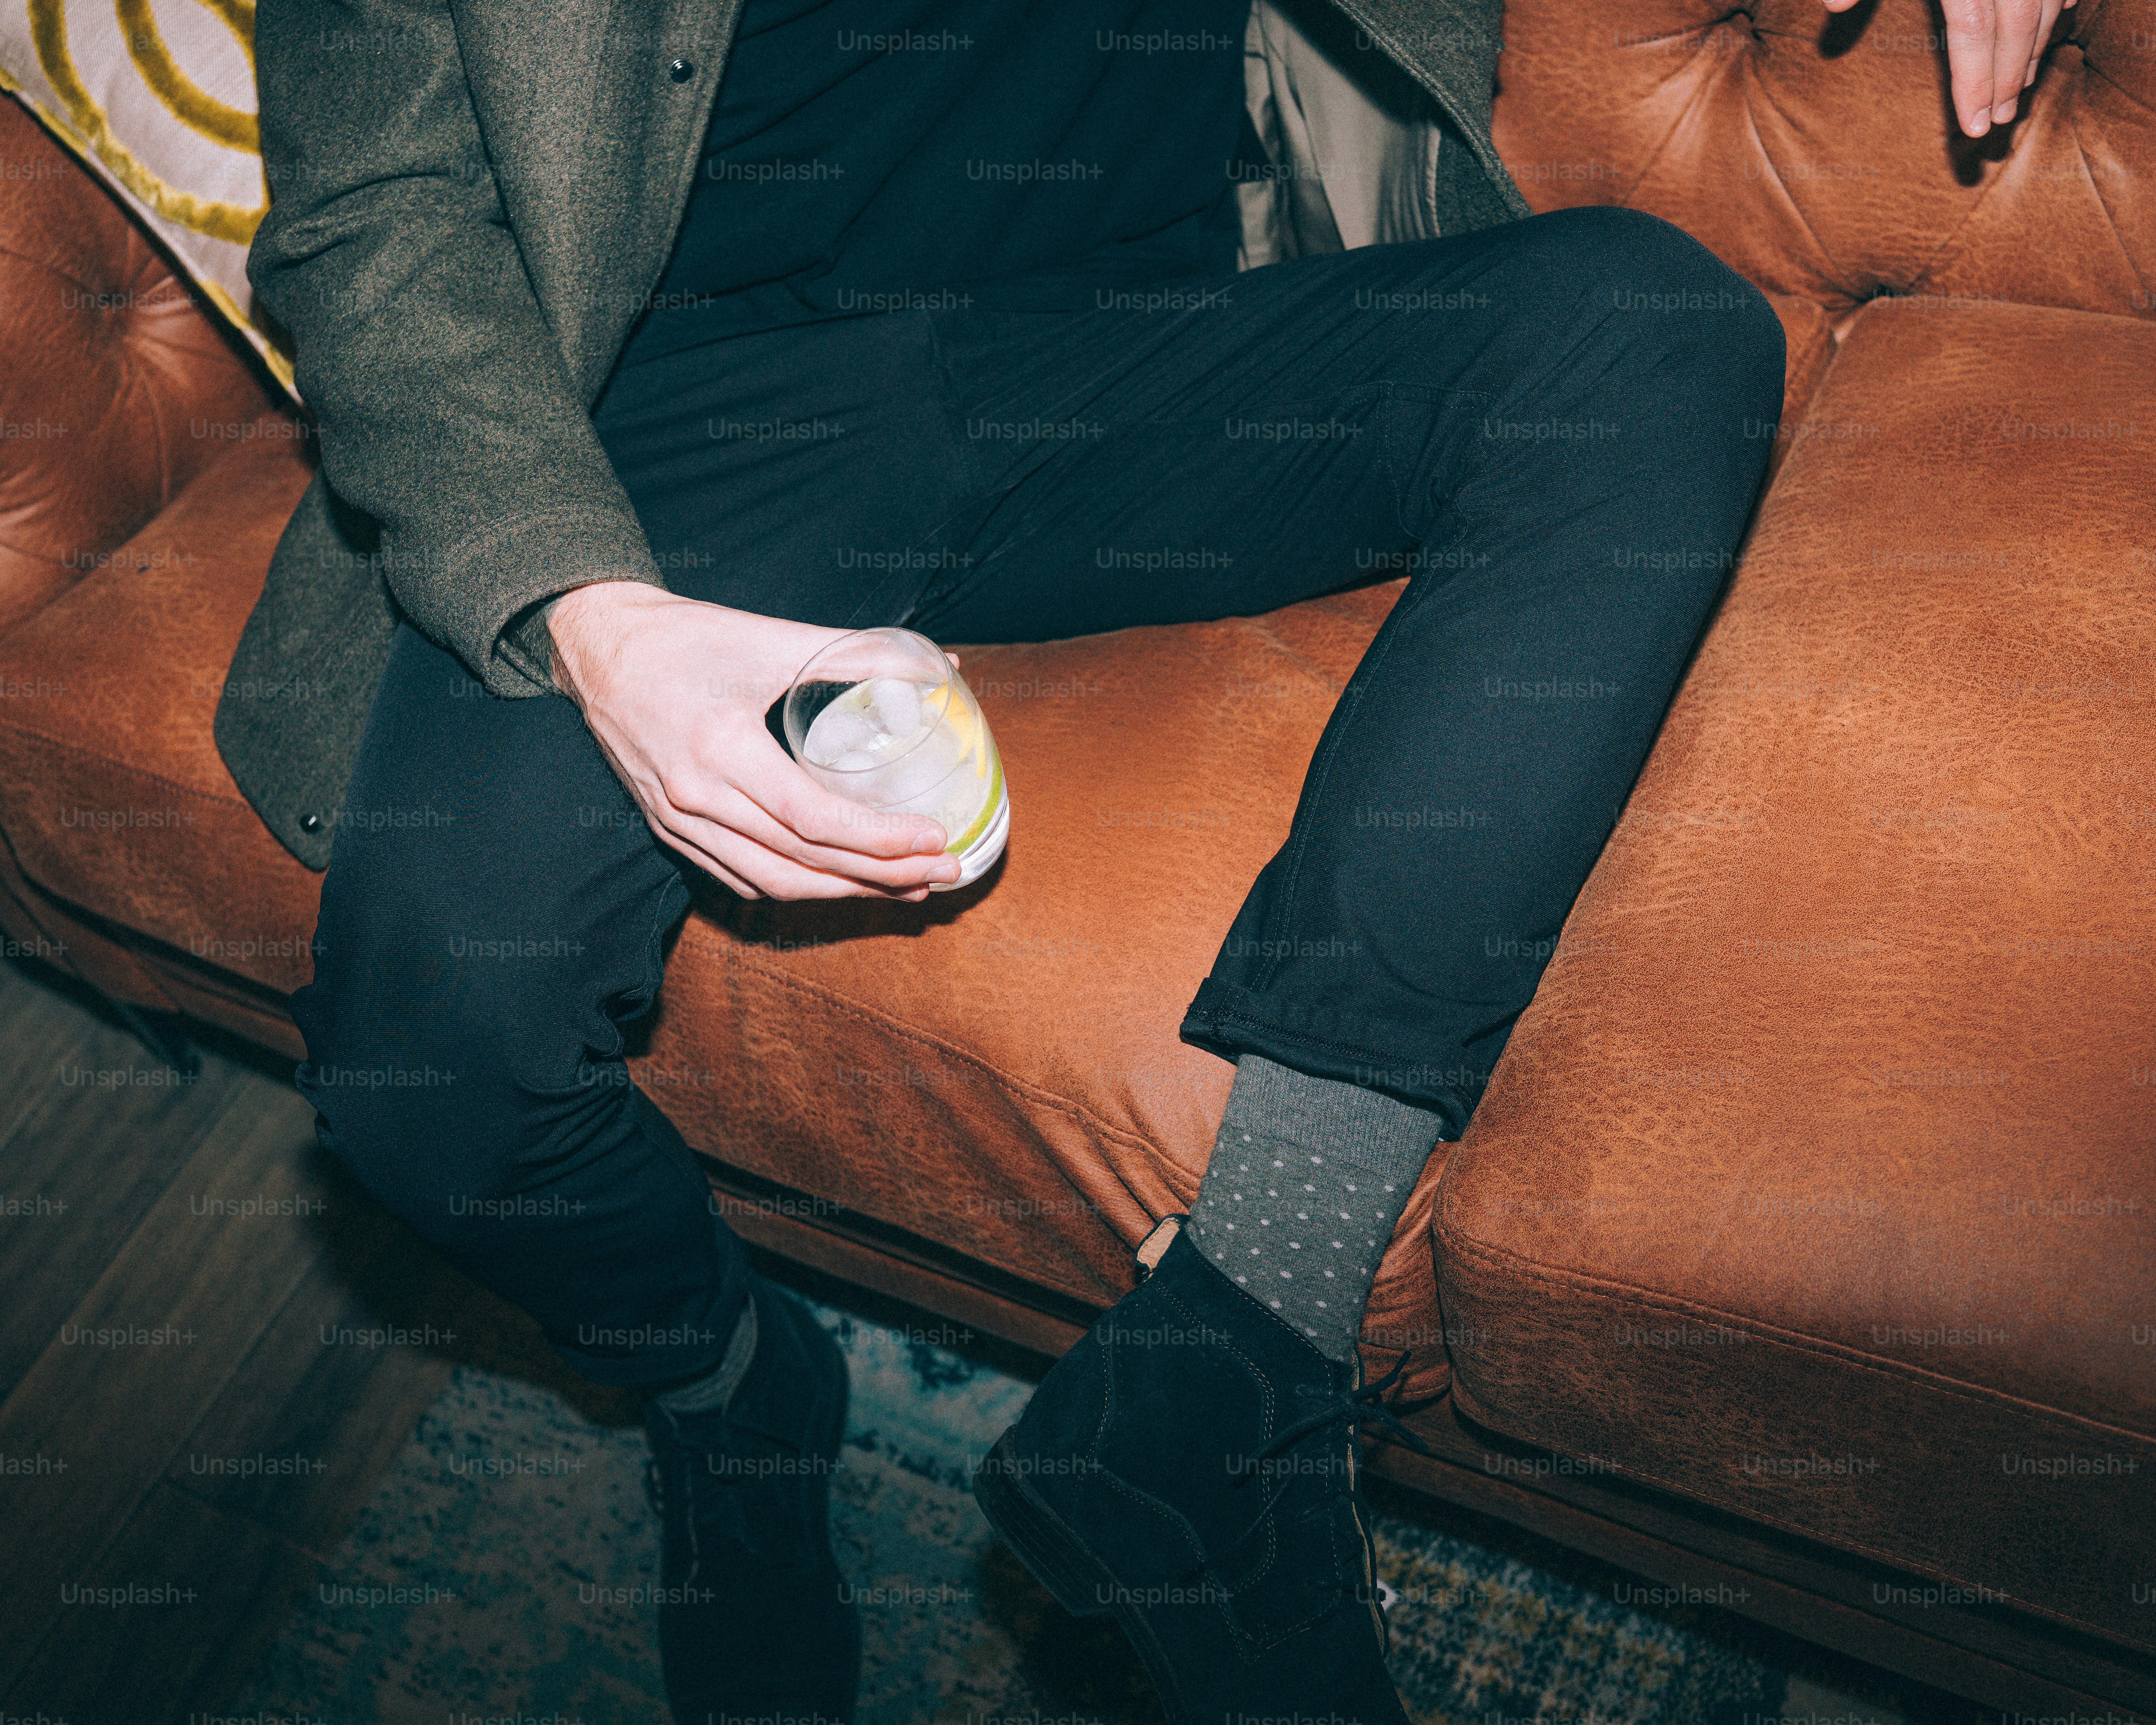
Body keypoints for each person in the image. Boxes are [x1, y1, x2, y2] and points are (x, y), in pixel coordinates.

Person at [221, 0, 2060, 1718]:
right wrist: (594, 618)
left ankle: (1230, 1362)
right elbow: (368, 211)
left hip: (1131, 349)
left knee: (1645, 330)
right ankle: (728, 1382)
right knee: (425, 1061)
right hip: (669, 421)